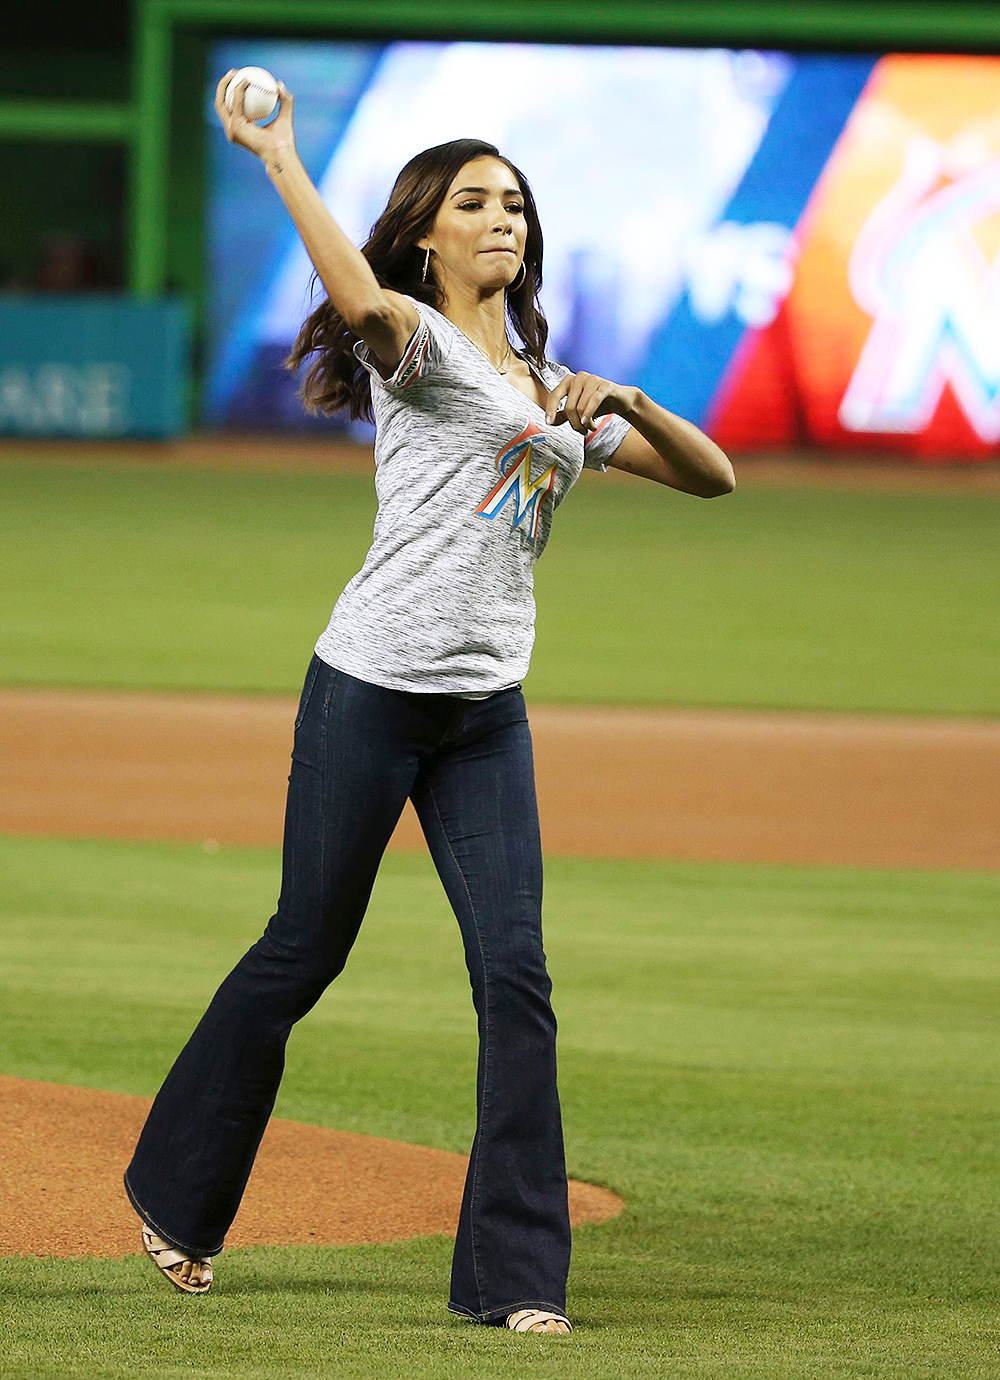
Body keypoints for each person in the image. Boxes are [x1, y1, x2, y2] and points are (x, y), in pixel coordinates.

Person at [124, 72, 735, 1336]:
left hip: (484, 717)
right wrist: (281, 158)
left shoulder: (550, 383)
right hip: (369, 692)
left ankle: (515, 1282)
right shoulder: (415, 341)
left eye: (514, 201)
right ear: (427, 234)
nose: (501, 217)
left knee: (516, 976)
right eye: (473, 201)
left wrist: (622, 399)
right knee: (305, 947)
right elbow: (353, 298)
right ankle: (175, 1192)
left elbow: (715, 478)